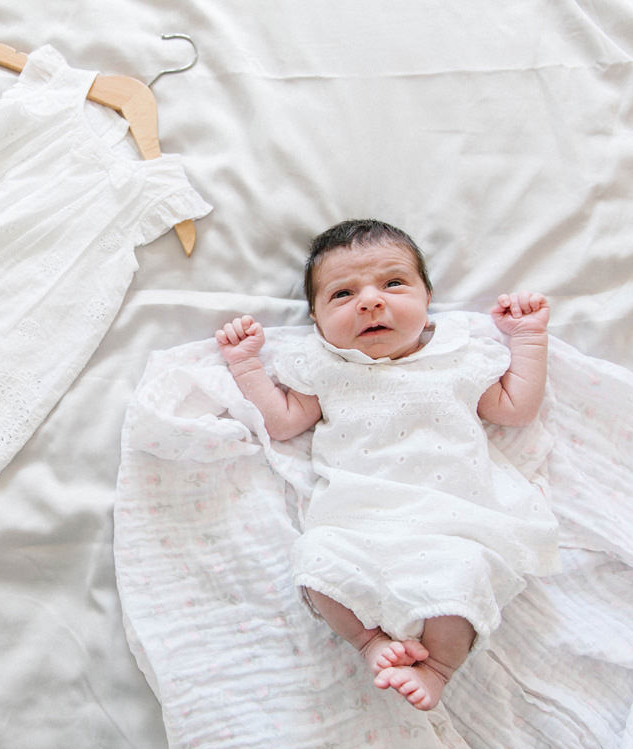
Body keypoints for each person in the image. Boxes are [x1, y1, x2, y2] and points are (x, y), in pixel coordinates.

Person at [215, 219, 558, 711]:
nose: (370, 301)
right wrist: (246, 365)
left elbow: (516, 408)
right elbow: (285, 422)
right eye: (342, 294)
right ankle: (368, 640)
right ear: (315, 320)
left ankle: (439, 666)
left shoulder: (456, 357)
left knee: (463, 575)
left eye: (393, 284)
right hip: (356, 520)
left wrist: (528, 338)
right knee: (315, 562)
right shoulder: (325, 367)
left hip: (455, 519)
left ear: (427, 297)